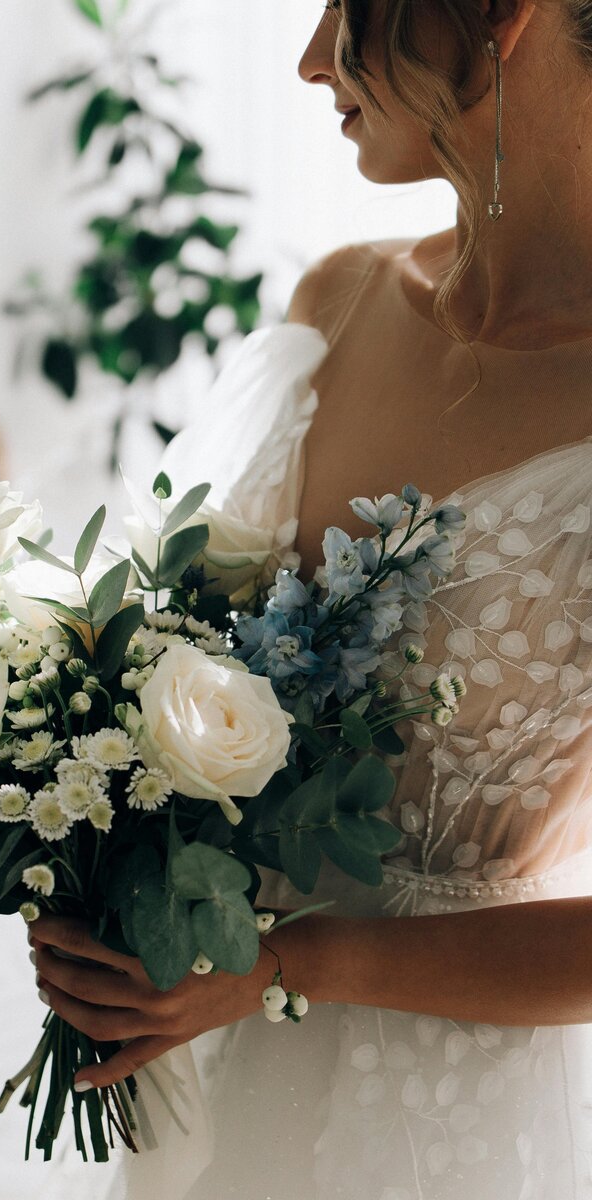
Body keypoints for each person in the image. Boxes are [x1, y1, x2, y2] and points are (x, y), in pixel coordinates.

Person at [30, 2, 592, 1195]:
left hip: (440, 1110)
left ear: (500, 15)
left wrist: (287, 963)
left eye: (349, 4)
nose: (306, 55)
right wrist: (92, 867)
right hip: (198, 1048)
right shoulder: (334, 304)